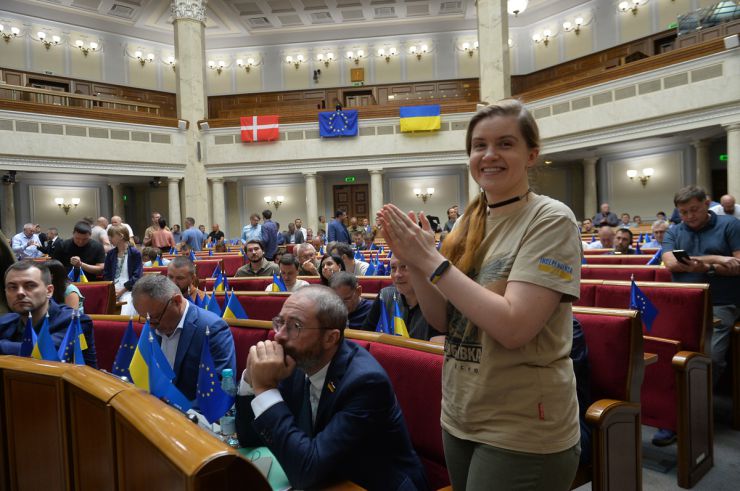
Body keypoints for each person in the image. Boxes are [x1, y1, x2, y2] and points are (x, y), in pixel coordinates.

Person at [378, 100, 582, 490]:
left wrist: (431, 260)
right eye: (478, 146)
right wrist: (416, 262)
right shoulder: (465, 224)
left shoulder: (550, 219)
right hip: (460, 413)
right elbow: (443, 320)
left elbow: (513, 327)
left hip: (522, 424)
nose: (489, 155)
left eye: (505, 144)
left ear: (531, 155)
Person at [234, 286, 428, 490]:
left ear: (330, 338)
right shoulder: (297, 362)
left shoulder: (366, 383)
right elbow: (249, 438)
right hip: (328, 477)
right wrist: (251, 379)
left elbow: (306, 471)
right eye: (280, 322)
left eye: (295, 326)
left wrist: (265, 389)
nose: (279, 336)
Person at [661, 186, 739, 420]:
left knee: (711, 357)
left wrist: (707, 268)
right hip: (683, 302)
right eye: (683, 212)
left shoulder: (730, 225)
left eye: (693, 210)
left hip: (721, 302)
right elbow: (671, 263)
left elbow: (738, 265)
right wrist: (717, 259)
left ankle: (693, 411)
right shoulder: (674, 231)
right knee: (668, 351)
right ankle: (673, 407)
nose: (688, 216)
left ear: (707, 204)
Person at [131, 274, 236, 401]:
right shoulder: (152, 323)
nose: (151, 327)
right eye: (146, 319)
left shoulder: (212, 329)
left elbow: (219, 390)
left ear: (176, 301)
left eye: (155, 318)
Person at [0, 262, 97, 367]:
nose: (20, 292)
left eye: (30, 286)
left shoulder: (75, 320)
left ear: (49, 291)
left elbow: (44, 351)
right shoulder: (6, 321)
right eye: (12, 287)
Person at [362, 256, 440, 341]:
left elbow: (437, 350)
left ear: (422, 270)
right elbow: (365, 336)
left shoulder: (437, 302)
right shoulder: (385, 296)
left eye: (404, 267)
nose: (397, 274)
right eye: (393, 268)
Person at [103, 225, 143, 316]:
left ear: (121, 236)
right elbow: (106, 274)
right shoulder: (110, 254)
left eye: (111, 236)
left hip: (129, 289)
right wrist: (112, 289)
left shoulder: (134, 253)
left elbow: (137, 276)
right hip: (112, 289)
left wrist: (122, 290)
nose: (109, 238)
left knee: (127, 305)